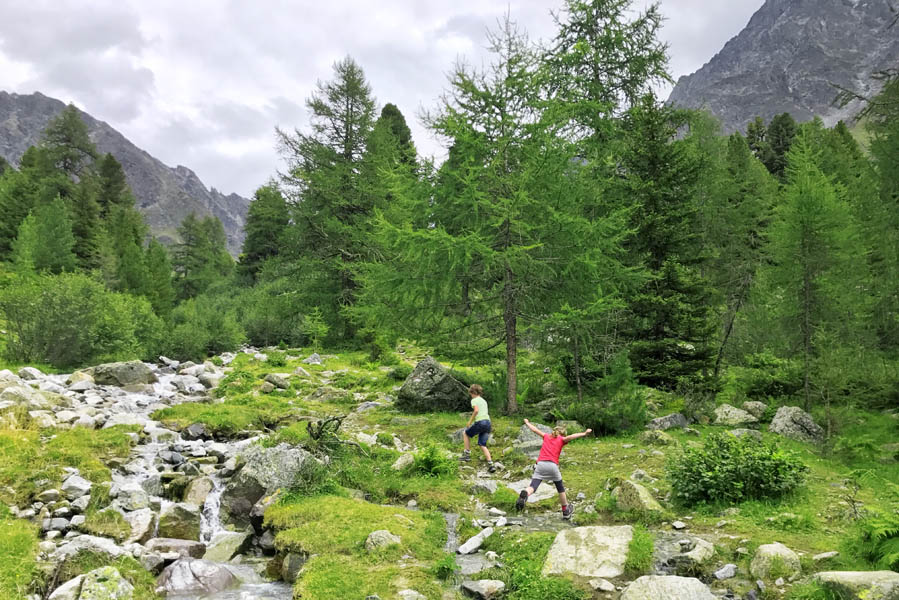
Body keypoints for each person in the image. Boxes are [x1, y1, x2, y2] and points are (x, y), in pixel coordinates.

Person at [515, 418, 592, 519]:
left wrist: (527, 423)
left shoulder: (546, 436)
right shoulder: (562, 439)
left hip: (540, 464)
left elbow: (535, 430)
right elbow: (572, 436)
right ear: (562, 434)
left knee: (533, 485)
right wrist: (584, 433)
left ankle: (526, 493)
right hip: (552, 465)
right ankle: (565, 510)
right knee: (560, 488)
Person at [460, 384, 496, 473]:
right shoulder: (484, 401)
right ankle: (491, 464)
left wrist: (470, 421)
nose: (470, 395)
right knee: (482, 444)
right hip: (488, 423)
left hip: (480, 422)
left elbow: (476, 410)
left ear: (473, 392)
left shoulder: (474, 400)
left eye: (471, 393)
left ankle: (467, 455)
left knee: (466, 433)